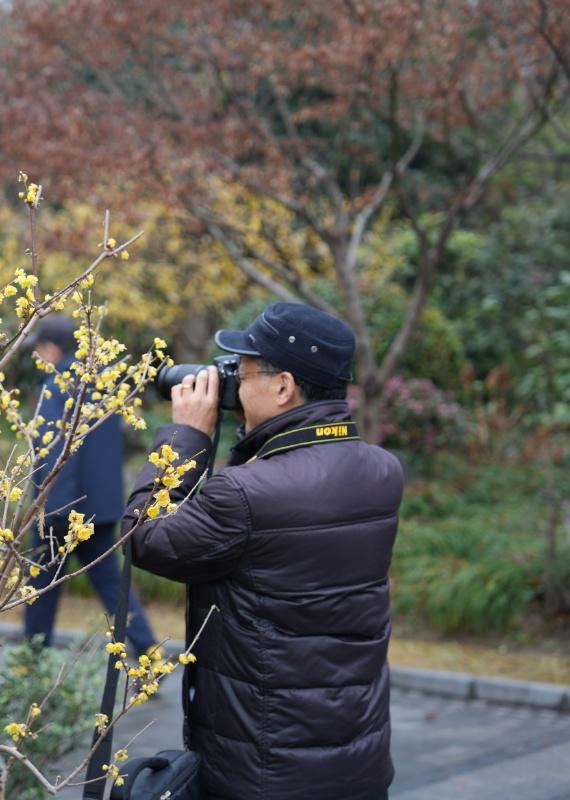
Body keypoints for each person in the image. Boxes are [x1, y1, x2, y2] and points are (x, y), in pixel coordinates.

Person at [125, 302, 402, 800]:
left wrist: (188, 437)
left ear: (283, 387)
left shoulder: (247, 493)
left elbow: (143, 540)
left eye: (244, 370)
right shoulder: (381, 471)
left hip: (265, 768)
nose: (233, 379)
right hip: (356, 758)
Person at [24, 314, 157, 656]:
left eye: (39, 350)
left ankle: (31, 664)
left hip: (63, 509)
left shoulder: (57, 385)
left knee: (41, 586)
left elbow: (57, 452)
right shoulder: (99, 383)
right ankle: (149, 658)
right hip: (101, 506)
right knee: (113, 587)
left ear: (51, 349)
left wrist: (54, 509)